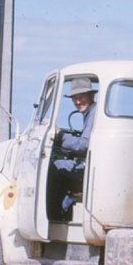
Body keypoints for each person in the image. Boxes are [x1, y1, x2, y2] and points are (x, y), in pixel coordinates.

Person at [48, 77, 97, 220]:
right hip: (90, 165)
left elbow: (83, 145)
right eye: (74, 98)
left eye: (81, 97)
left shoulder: (94, 114)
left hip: (89, 169)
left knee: (55, 168)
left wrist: (59, 135)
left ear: (91, 96)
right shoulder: (91, 113)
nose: (77, 102)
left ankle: (55, 216)